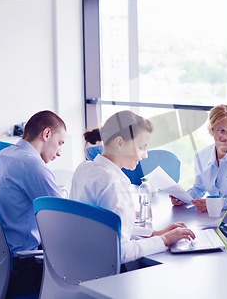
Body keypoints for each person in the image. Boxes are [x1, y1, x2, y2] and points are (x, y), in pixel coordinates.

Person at [70, 110, 195, 270]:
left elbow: (108, 226)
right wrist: (164, 240)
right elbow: (121, 251)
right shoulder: (111, 183)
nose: (145, 155)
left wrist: (154, 234)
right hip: (103, 274)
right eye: (142, 147)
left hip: (80, 264)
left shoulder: (85, 169)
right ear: (119, 143)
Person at [0, 110, 67, 297]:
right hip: (22, 267)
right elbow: (63, 221)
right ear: (46, 134)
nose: (60, 152)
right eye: (60, 143)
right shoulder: (32, 165)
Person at [170, 104, 227, 212]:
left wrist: (215, 204)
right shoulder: (201, 157)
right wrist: (183, 198)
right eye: (221, 130)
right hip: (211, 216)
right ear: (212, 131)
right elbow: (198, 188)